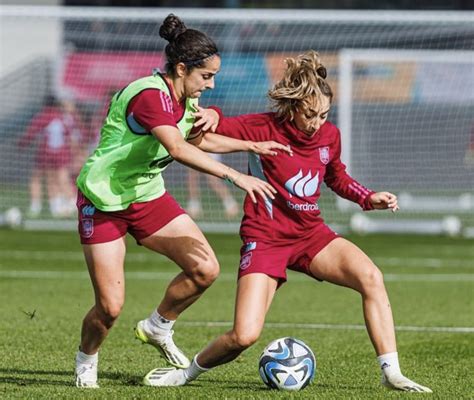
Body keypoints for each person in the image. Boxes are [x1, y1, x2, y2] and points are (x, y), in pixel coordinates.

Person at [143, 50, 432, 393]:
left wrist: (367, 197)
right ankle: (185, 374)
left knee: (371, 277)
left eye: (324, 115)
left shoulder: (329, 137)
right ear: (293, 106)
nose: (317, 123)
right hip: (265, 238)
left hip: (311, 234)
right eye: (310, 114)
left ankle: (391, 372)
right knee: (243, 335)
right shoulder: (263, 126)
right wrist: (212, 114)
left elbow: (337, 177)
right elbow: (207, 132)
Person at [74, 14, 291, 389]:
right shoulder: (149, 96)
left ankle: (158, 326)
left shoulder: (184, 98)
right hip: (104, 199)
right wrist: (236, 176)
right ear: (181, 68)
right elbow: (175, 147)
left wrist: (250, 145)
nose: (211, 84)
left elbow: (197, 140)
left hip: (145, 196)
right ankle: (85, 360)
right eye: (206, 76)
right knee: (109, 307)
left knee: (205, 269)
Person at [18, 95, 84, 218]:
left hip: (46, 153)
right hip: (62, 154)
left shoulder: (43, 116)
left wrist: (21, 143)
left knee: (39, 179)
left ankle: (36, 206)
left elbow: (31, 131)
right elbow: (70, 136)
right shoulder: (62, 117)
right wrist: (75, 151)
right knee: (62, 178)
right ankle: (64, 206)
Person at [186, 153, 239, 219]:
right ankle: (194, 205)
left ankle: (230, 204)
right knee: (192, 176)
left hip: (209, 150)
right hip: (195, 149)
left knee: (213, 180)